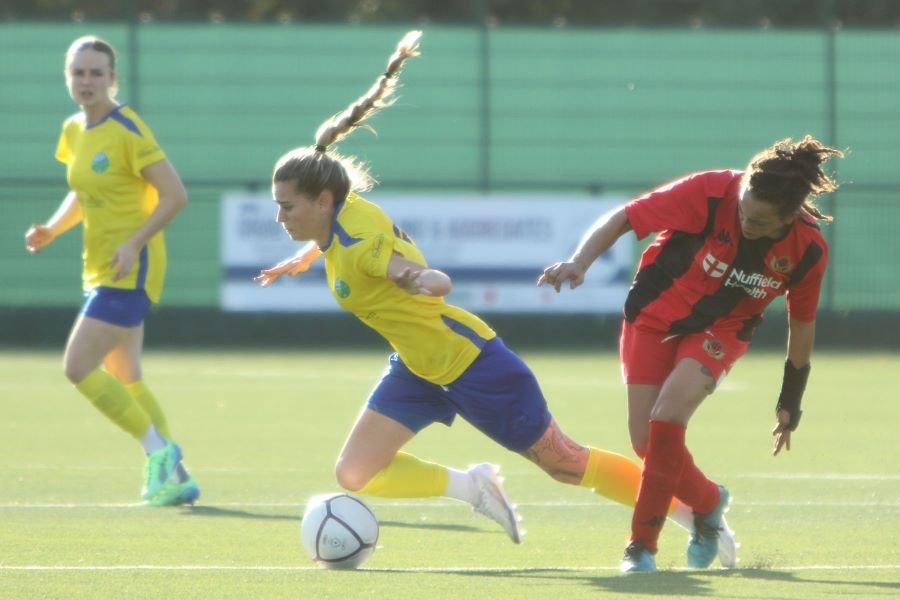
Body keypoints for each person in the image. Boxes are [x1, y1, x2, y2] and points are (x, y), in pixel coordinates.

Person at [255, 30, 712, 547]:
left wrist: (419, 277)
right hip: (418, 366)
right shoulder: (343, 212)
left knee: (565, 463)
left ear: (320, 200)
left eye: (286, 206)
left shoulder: (363, 246)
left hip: (474, 365)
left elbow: (400, 267)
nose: (278, 215)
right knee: (356, 473)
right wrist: (302, 257)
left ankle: (692, 516)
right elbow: (342, 244)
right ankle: (474, 486)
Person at [539, 135, 842, 571]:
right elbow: (625, 218)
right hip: (653, 314)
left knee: (667, 417)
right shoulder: (711, 191)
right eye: (743, 210)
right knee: (646, 443)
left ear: (789, 216)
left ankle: (640, 547)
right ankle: (708, 502)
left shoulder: (808, 250)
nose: (745, 221)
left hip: (723, 329)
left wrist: (791, 399)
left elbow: (802, 325)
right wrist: (579, 262)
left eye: (758, 221)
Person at [24, 36, 198, 507]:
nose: (86, 81)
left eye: (96, 73)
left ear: (112, 78)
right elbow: (83, 192)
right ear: (68, 77)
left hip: (131, 268)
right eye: (78, 72)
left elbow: (175, 195)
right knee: (127, 377)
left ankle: (159, 452)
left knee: (77, 366)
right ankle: (175, 477)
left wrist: (134, 241)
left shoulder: (127, 127)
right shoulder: (74, 130)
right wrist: (53, 230)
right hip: (98, 267)